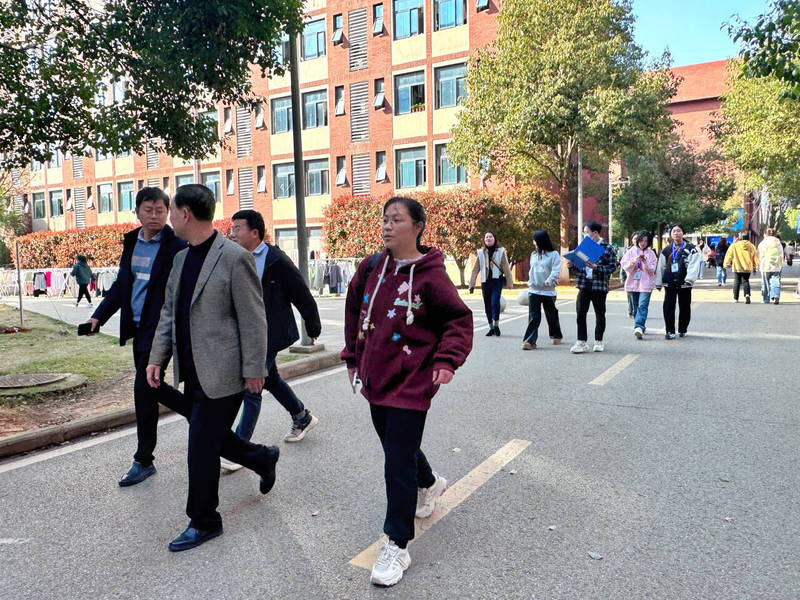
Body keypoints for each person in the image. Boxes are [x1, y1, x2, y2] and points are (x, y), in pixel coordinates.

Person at [342, 197, 473, 587]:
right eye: (385, 219)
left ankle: (397, 544)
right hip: (375, 378)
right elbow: (354, 311)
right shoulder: (370, 268)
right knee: (397, 446)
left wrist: (447, 360)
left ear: (417, 227)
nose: (387, 225)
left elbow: (458, 320)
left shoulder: (431, 275)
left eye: (396, 219)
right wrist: (352, 358)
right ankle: (429, 483)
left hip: (413, 381)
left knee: (396, 462)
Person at [146, 184, 279, 552]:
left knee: (201, 446)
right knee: (214, 437)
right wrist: (157, 358)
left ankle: (204, 520)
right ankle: (262, 457)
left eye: (172, 211)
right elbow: (169, 314)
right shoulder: (180, 259)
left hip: (225, 373)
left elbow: (254, 319)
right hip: (193, 371)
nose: (170, 218)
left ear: (186, 214)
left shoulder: (234, 258)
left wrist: (255, 370)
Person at [85, 187, 187, 486]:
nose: (154, 216)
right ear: (138, 212)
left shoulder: (177, 246)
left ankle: (143, 459)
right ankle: (203, 419)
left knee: (144, 389)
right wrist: (98, 316)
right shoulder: (131, 242)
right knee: (150, 389)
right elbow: (122, 286)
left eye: (160, 210)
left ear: (167, 212)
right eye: (148, 210)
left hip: (162, 329)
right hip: (139, 329)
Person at [226, 209, 322, 467]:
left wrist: (313, 326)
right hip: (247, 333)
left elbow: (301, 292)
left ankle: (240, 449)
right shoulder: (235, 258)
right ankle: (301, 417)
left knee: (252, 386)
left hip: (270, 332)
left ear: (254, 233)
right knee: (270, 379)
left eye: (237, 229)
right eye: (232, 229)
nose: (232, 234)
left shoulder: (276, 260)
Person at [566, 221, 618, 353]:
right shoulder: (584, 247)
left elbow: (612, 267)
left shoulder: (608, 248)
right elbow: (579, 269)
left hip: (599, 286)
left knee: (600, 313)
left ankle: (598, 340)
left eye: (586, 232)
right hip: (584, 284)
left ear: (595, 233)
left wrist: (596, 267)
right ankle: (581, 341)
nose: (585, 235)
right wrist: (572, 265)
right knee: (580, 313)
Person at [655, 224, 700, 339]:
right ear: (670, 234)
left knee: (684, 306)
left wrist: (689, 280)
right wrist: (658, 282)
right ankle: (669, 331)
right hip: (669, 281)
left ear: (683, 233)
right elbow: (661, 266)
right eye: (674, 231)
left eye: (679, 231)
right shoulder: (666, 250)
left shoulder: (691, 249)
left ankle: (682, 329)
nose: (676, 233)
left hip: (684, 282)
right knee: (668, 306)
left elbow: (694, 265)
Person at [521, 230, 562, 350]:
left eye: (535, 240)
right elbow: (532, 270)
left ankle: (556, 334)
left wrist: (550, 279)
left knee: (551, 314)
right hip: (534, 290)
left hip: (548, 290)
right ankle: (529, 341)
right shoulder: (533, 255)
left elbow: (556, 270)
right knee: (534, 316)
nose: (533, 243)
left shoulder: (554, 254)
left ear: (541, 241)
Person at [468, 231, 513, 336]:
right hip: (485, 282)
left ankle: (496, 325)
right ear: (484, 240)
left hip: (497, 280)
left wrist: (510, 283)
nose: (488, 238)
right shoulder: (480, 252)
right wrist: (472, 285)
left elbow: (506, 267)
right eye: (486, 237)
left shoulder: (501, 251)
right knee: (487, 305)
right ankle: (491, 327)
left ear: (494, 239)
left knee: (494, 303)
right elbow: (475, 270)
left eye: (490, 237)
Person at [620, 230, 658, 339]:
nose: (643, 243)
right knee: (636, 307)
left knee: (642, 306)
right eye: (641, 240)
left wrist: (645, 262)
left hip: (645, 284)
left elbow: (652, 270)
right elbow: (625, 266)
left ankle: (638, 327)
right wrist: (635, 260)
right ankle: (641, 327)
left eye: (646, 241)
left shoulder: (651, 253)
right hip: (633, 283)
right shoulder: (631, 251)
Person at [723, 232, 758, 304]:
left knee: (737, 282)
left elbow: (729, 254)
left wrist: (726, 264)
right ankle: (747, 295)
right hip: (747, 267)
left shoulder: (734, 245)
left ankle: (735, 298)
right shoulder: (751, 246)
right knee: (746, 281)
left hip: (737, 266)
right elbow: (755, 257)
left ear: (739, 238)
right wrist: (755, 267)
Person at [757, 228, 784, 304]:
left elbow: (759, 255)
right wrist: (781, 263)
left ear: (765, 234)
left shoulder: (762, 243)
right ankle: (776, 295)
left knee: (765, 283)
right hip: (776, 266)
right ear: (775, 234)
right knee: (775, 280)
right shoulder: (778, 243)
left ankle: (766, 299)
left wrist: (758, 264)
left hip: (765, 266)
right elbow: (781, 254)